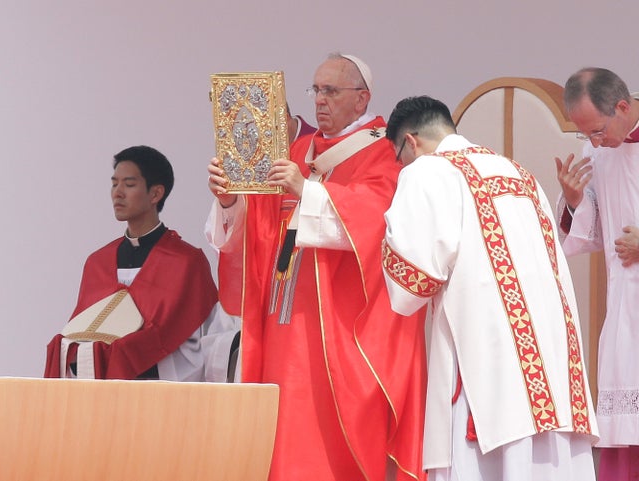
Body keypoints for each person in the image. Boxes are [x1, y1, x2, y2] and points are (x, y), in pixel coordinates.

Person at [205, 53, 427, 481]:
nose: (320, 101)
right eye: (315, 90)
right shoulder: (296, 150)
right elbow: (260, 227)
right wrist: (229, 199)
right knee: (284, 428)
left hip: (341, 326)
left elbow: (378, 219)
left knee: (331, 436)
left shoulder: (383, 150)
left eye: (331, 91)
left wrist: (306, 191)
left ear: (362, 99)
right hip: (283, 315)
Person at [382, 95, 599, 481]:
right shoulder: (518, 172)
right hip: (549, 355)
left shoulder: (427, 172)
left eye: (399, 156)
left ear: (411, 142)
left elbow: (413, 279)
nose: (402, 166)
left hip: (486, 353)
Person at [45, 145, 218, 380]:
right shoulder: (98, 262)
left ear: (155, 194)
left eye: (128, 184)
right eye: (114, 183)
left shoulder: (186, 262)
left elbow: (203, 339)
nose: (117, 192)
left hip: (160, 390)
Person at [555, 67, 639, 480]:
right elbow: (590, 235)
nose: (595, 143)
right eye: (585, 135)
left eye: (599, 130)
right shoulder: (600, 151)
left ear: (623, 106)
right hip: (626, 305)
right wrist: (574, 202)